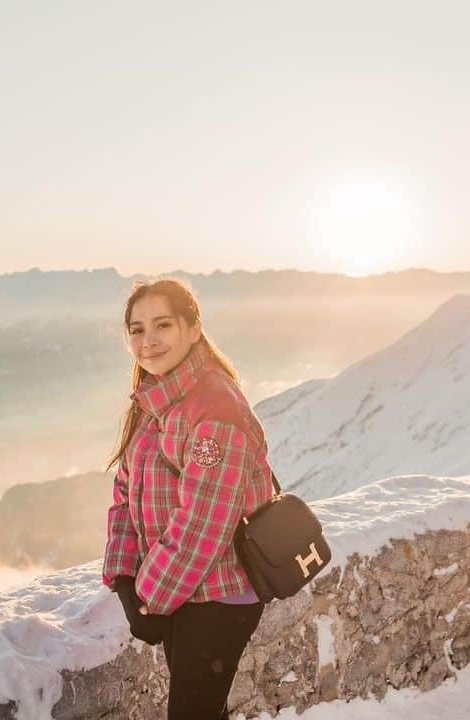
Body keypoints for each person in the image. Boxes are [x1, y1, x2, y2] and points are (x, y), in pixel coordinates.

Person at [102, 277, 275, 720]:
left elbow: (203, 527)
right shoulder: (154, 402)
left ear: (193, 329)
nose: (148, 340)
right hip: (180, 591)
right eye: (137, 330)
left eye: (162, 325)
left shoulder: (214, 408)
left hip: (219, 596)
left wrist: (149, 602)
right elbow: (125, 496)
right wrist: (124, 580)